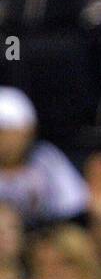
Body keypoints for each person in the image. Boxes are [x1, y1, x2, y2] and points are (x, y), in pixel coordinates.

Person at [0, 87, 88, 225]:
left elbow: (74, 205)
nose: (6, 141)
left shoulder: (46, 159)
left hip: (45, 236)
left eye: (12, 132)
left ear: (29, 131)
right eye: (2, 133)